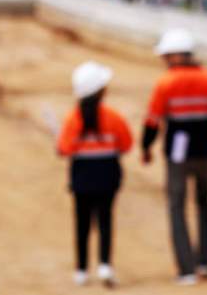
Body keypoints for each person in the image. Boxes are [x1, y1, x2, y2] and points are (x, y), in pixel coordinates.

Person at [141, 29, 207, 285]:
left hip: (177, 157)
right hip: (204, 153)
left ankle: (186, 268)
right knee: (204, 204)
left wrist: (146, 147)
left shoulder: (166, 83)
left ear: (175, 55)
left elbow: (152, 120)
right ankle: (206, 262)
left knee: (177, 207)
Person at [57, 61, 134, 288]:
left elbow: (65, 149)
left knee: (82, 223)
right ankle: (104, 266)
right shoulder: (113, 117)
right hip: (108, 176)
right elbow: (126, 144)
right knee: (105, 221)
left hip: (81, 178)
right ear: (101, 91)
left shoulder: (72, 119)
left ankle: (81, 270)